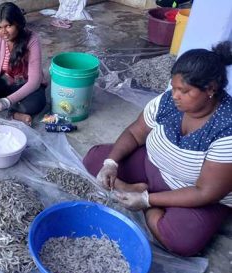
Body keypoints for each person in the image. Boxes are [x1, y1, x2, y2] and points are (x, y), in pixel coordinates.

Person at [83, 41, 232, 257]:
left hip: (193, 193)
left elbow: (204, 192)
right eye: (174, 88)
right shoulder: (168, 102)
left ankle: (145, 199)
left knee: (182, 240)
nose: (175, 95)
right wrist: (111, 164)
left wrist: (147, 200)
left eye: (184, 91)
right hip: (152, 167)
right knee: (95, 157)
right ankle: (137, 190)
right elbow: (135, 133)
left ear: (210, 89)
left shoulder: (226, 128)